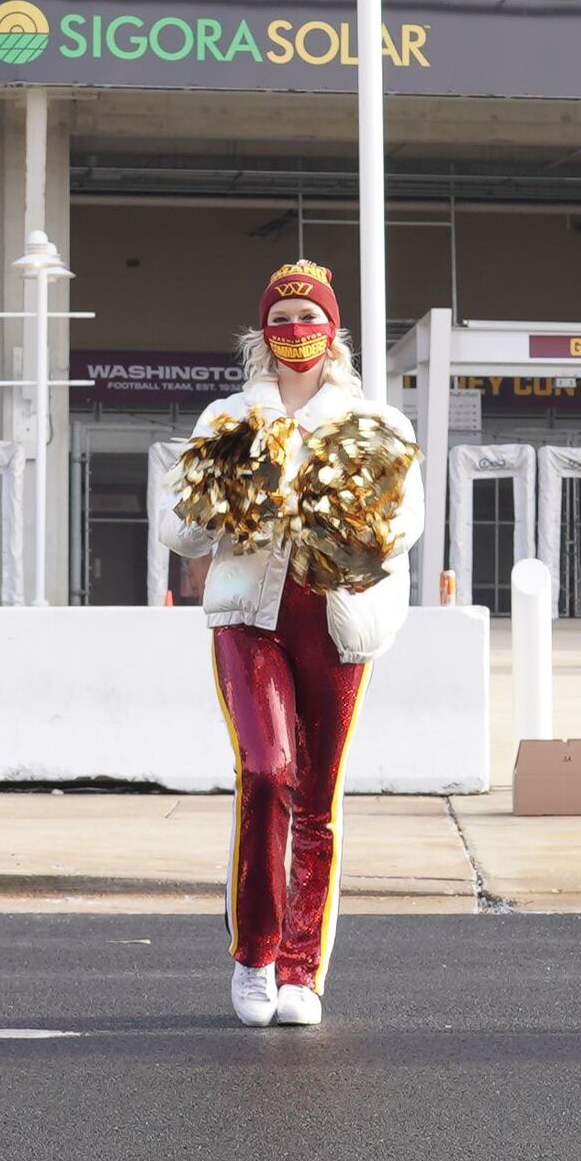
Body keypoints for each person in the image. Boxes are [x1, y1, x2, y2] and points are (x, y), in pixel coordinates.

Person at [166, 260, 410, 1028]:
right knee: (266, 773)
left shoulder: (375, 423)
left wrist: (356, 531)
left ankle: (304, 966)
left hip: (334, 621)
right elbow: (177, 526)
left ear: (333, 331)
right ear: (261, 332)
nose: (297, 331)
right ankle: (255, 954)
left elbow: (405, 524)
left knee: (319, 797)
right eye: (284, 317)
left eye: (311, 317)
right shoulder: (227, 418)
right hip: (251, 614)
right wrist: (228, 506)